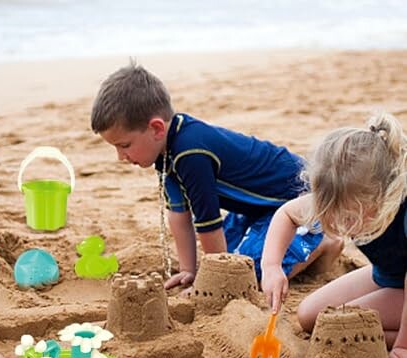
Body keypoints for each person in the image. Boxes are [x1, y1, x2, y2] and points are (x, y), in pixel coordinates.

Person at [91, 62, 341, 290]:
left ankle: (322, 242)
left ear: (156, 128)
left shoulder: (190, 151)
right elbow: (179, 215)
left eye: (124, 145)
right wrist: (189, 270)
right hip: (257, 209)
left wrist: (218, 284)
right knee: (230, 257)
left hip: (300, 200)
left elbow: (208, 222)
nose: (120, 157)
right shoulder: (166, 153)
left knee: (244, 272)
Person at [261, 112, 407, 358]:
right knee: (310, 317)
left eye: (349, 217)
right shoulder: (343, 192)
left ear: (380, 198)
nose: (342, 225)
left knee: (340, 328)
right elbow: (287, 214)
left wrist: (403, 345)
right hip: (388, 276)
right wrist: (271, 267)